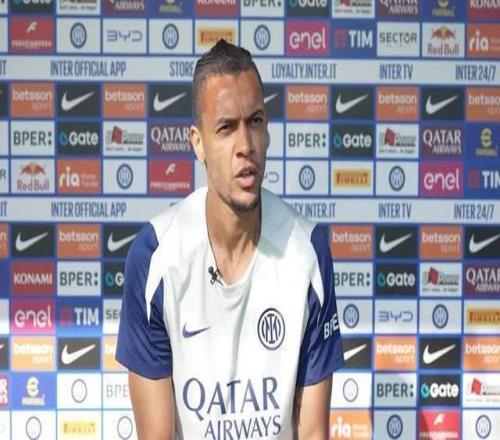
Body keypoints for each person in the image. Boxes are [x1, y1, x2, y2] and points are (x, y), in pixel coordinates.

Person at [116, 39, 344, 439]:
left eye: (255, 121)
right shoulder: (155, 256)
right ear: (198, 143)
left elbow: (312, 432)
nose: (245, 146)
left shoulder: (307, 251)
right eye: (226, 128)